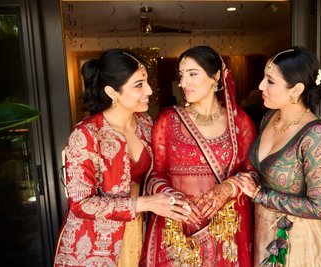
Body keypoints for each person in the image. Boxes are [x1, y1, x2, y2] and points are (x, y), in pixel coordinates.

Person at [54, 48, 190, 267]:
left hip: (139, 230)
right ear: (112, 92)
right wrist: (145, 203)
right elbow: (80, 204)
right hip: (96, 242)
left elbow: (159, 171)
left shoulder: (146, 124)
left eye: (146, 81)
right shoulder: (87, 134)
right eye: (138, 85)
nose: (149, 90)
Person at [140, 45, 257, 267]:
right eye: (182, 76)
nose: (184, 83)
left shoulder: (240, 123)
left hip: (225, 231)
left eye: (193, 74)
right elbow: (154, 175)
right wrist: (176, 200)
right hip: (179, 228)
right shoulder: (168, 120)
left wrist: (227, 189)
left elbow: (253, 177)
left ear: (216, 77)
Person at [234, 47, 321, 267]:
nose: (261, 86)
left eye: (270, 81)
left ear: (296, 89)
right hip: (262, 232)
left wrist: (260, 195)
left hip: (297, 242)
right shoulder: (269, 118)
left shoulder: (316, 135)